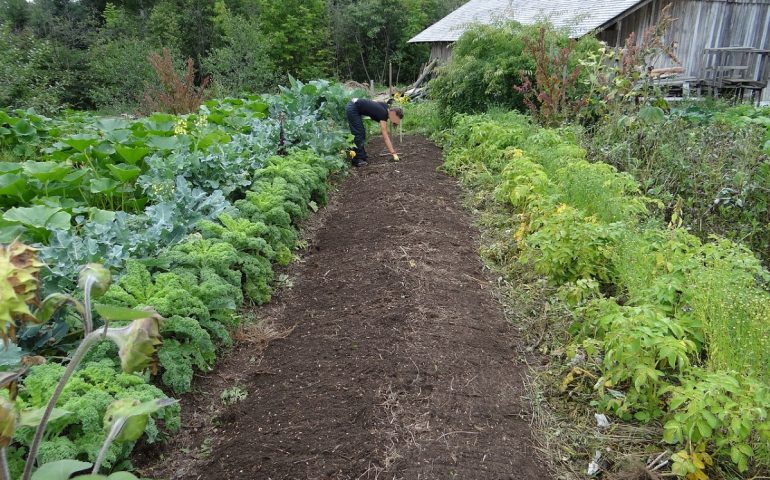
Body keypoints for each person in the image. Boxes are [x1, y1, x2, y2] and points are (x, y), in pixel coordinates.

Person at [345, 97, 403, 167]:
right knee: (358, 134)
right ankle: (357, 160)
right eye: (396, 119)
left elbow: (375, 101)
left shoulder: (386, 107)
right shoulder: (383, 114)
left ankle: (362, 156)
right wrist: (393, 153)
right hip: (353, 108)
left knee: (361, 133)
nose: (396, 121)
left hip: (355, 103)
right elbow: (385, 137)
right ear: (393, 113)